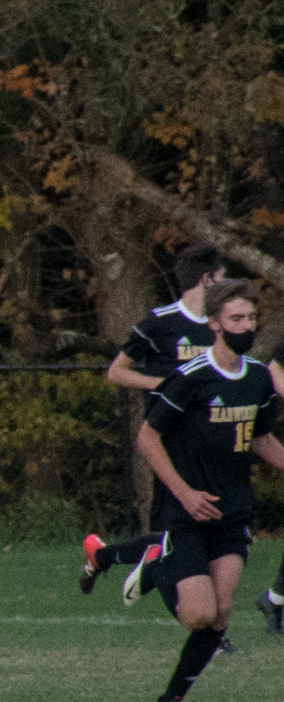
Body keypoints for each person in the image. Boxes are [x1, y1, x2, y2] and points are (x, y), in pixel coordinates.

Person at [135, 279, 284, 702]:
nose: (246, 326)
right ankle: (155, 561)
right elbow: (148, 436)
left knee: (220, 613)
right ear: (215, 324)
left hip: (233, 511)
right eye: (237, 318)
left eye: (251, 318)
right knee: (197, 615)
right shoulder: (190, 377)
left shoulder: (258, 377)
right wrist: (183, 491)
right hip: (184, 511)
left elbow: (260, 438)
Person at [81, 243, 229, 617]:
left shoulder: (222, 327)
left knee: (210, 528)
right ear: (206, 279)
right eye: (223, 277)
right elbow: (116, 371)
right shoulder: (160, 323)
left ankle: (106, 556)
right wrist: (162, 384)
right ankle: (195, 615)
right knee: (180, 531)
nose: (226, 284)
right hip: (169, 442)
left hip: (211, 443)